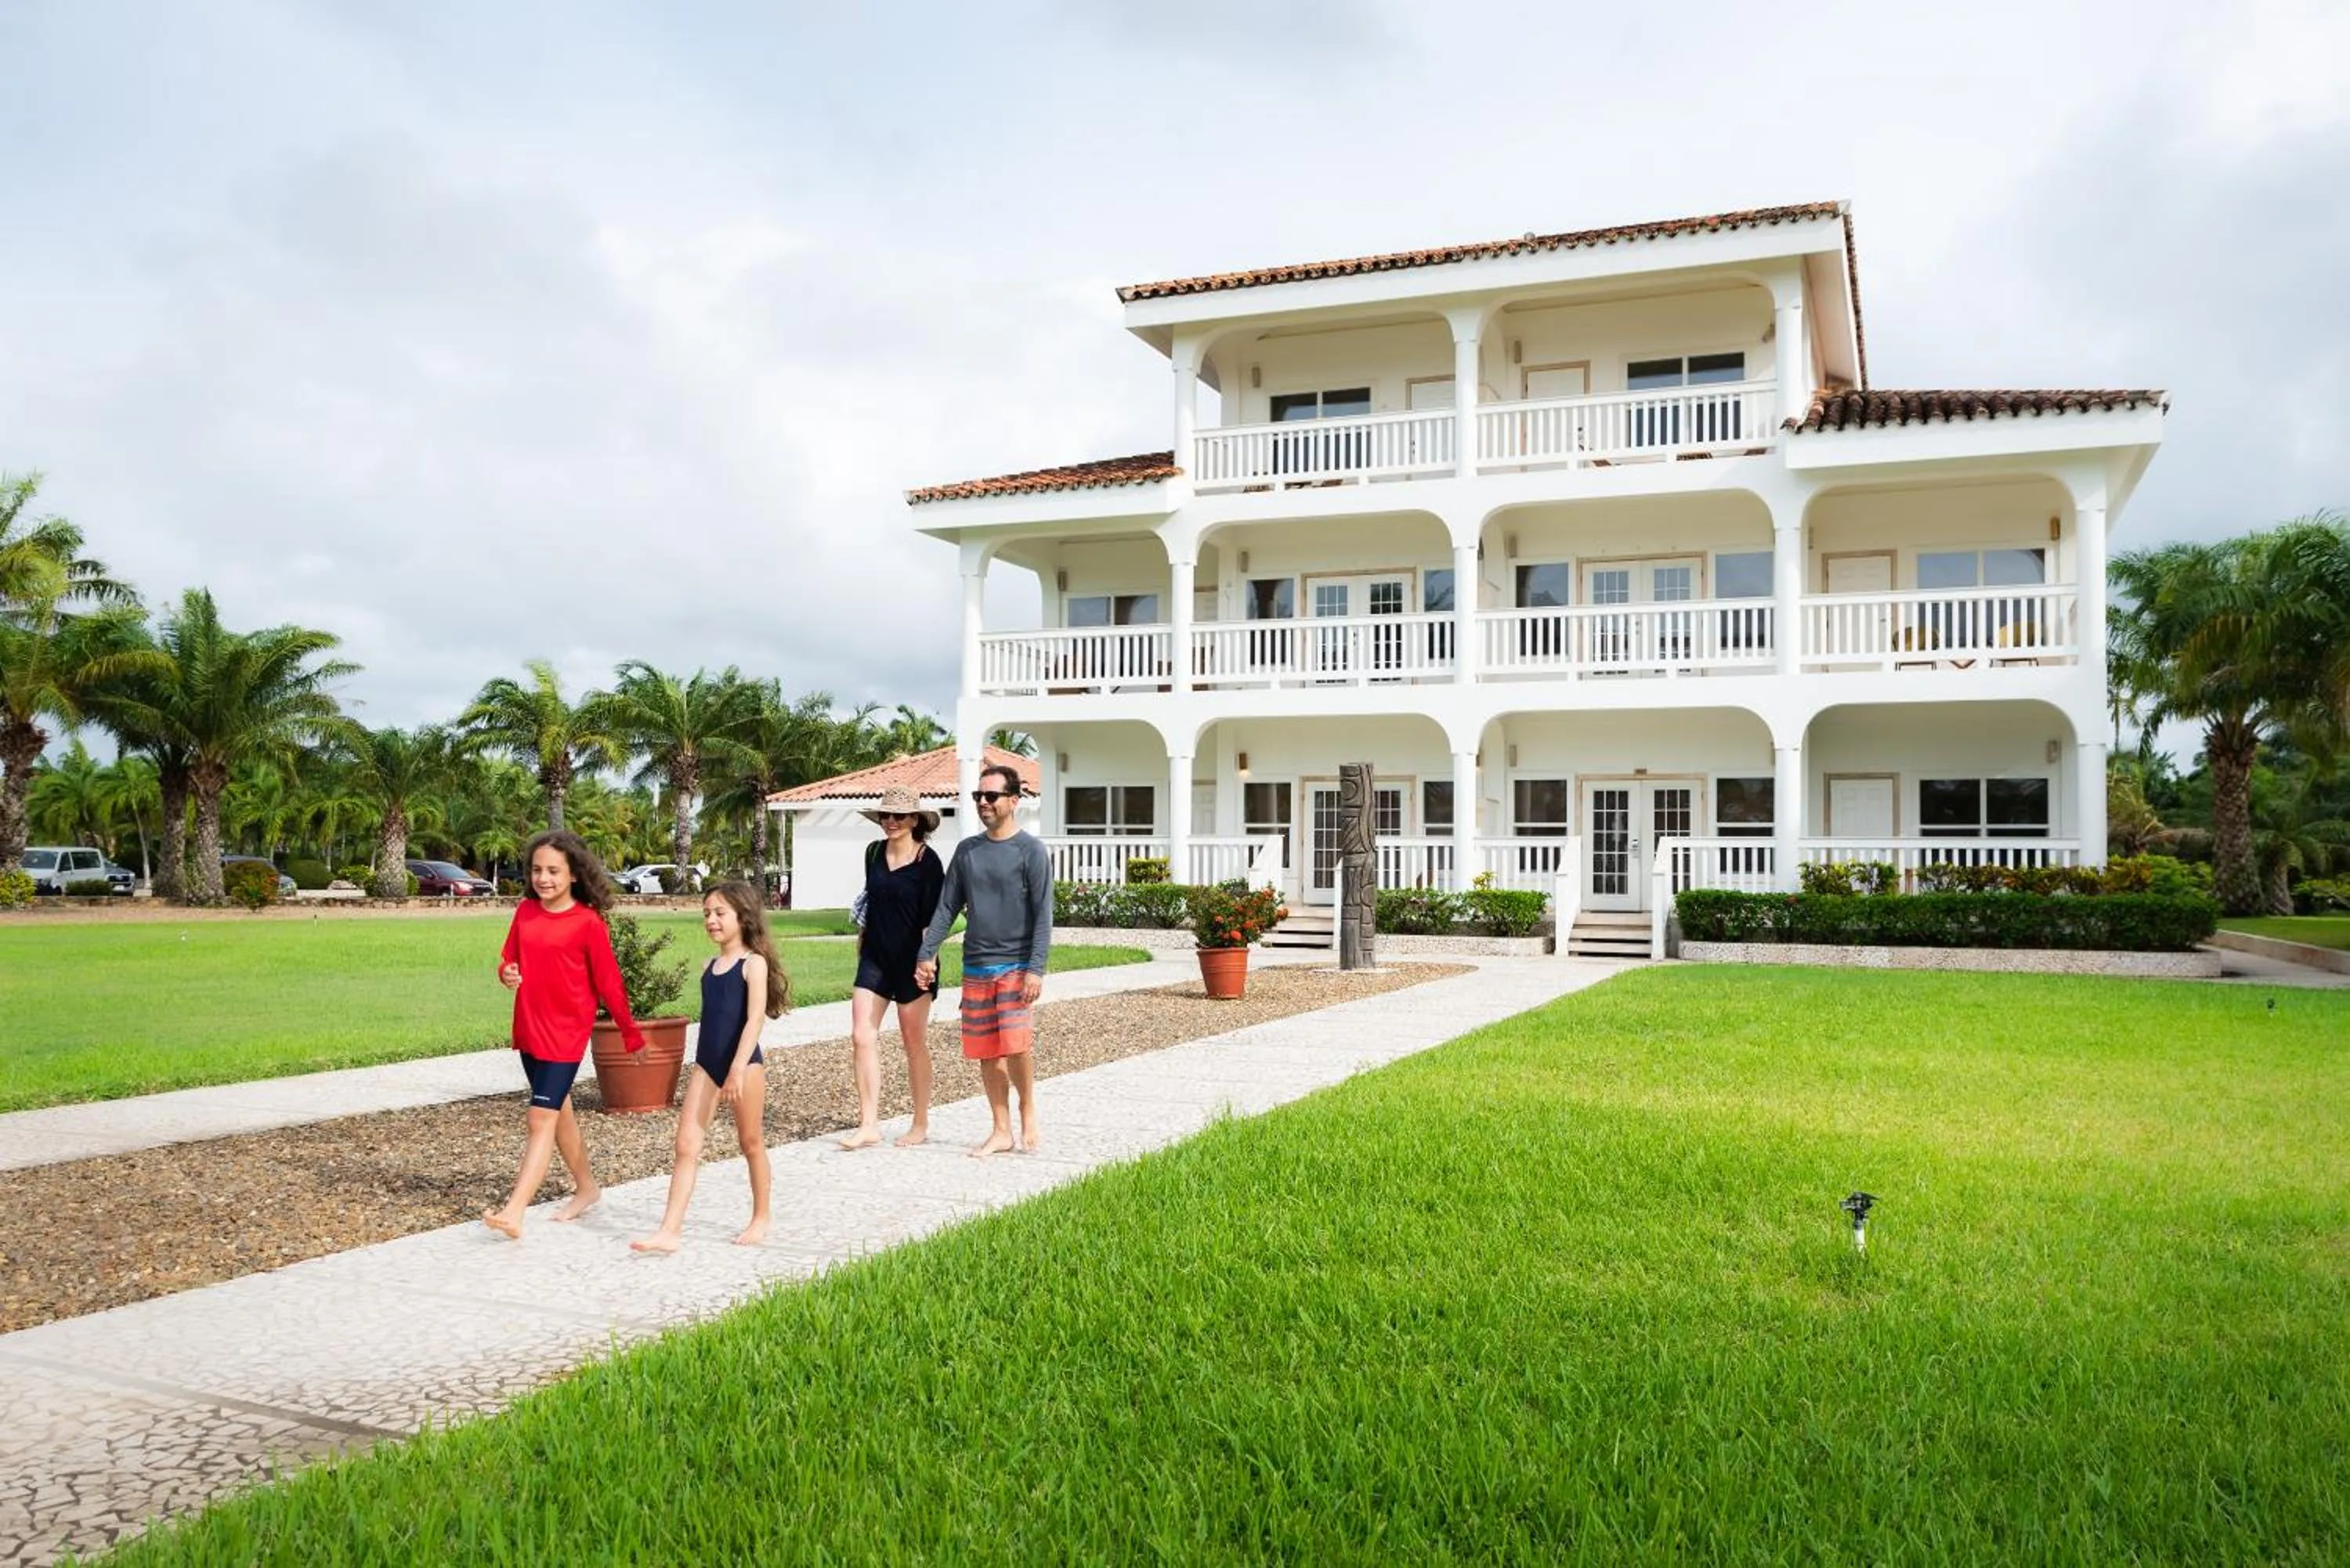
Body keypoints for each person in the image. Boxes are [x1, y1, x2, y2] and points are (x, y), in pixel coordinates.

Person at [485, 830, 643, 1240]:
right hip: (529, 1029)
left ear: (574, 874)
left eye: (554, 871)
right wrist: (506, 973)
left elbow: (609, 984)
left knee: (540, 1118)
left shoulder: (588, 923)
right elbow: (508, 958)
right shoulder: (525, 913)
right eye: (537, 870)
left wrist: (631, 1034)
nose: (544, 878)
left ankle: (514, 1211)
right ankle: (587, 1187)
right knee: (560, 1113)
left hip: (565, 1036)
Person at [631, 881, 792, 1253]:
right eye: (707, 913)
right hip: (707, 1067)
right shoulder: (709, 967)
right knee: (686, 1145)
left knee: (750, 1142)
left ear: (743, 917)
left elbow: (754, 1021)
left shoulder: (753, 964)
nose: (711, 920)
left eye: (720, 913)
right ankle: (669, 1231)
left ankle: (761, 1216)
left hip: (744, 1066)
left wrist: (737, 1068)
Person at [914, 762, 1052, 1158]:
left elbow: (1043, 914)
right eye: (978, 796)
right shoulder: (967, 852)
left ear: (1013, 800)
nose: (983, 803)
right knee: (988, 1051)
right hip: (977, 966)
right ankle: (1000, 1128)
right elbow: (946, 908)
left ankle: (1027, 1106)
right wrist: (928, 954)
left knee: (1016, 1046)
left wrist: (1035, 969)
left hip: (1015, 965)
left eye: (991, 796)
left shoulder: (1031, 851)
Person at [838, 783, 947, 1151]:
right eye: (886, 815)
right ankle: (869, 1123)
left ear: (915, 820)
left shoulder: (927, 862)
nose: (891, 821)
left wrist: (927, 959)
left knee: (913, 1042)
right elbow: (872, 901)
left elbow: (934, 918)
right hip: (874, 957)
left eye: (899, 816)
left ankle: (920, 1123)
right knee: (861, 1035)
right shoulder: (873, 853)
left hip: (915, 960)